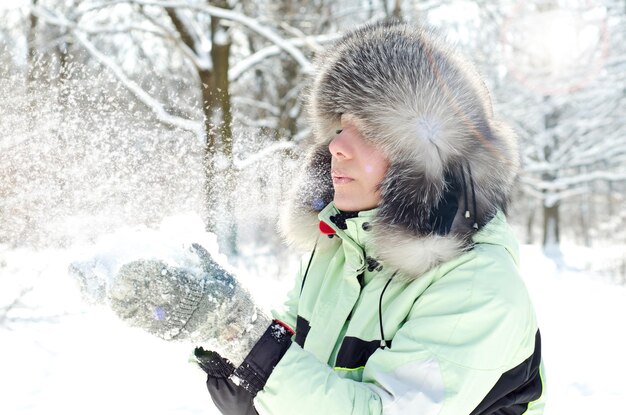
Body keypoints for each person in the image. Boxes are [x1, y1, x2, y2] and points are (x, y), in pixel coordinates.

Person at [70, 20, 546, 415]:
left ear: (427, 158)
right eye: (339, 125)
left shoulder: (479, 286)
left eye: (369, 128)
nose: (337, 144)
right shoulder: (342, 248)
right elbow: (284, 371)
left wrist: (235, 329)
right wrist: (203, 314)